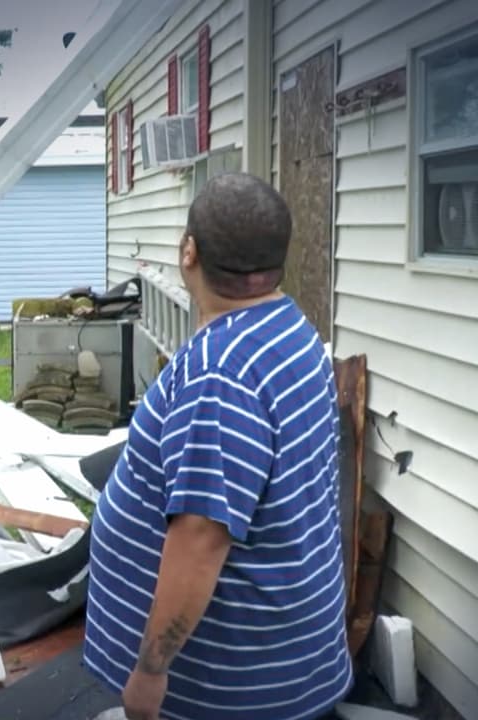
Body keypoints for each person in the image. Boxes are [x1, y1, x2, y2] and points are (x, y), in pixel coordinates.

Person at [82, 173, 353, 720]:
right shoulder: (289, 329)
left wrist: (151, 671)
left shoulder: (220, 377)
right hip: (285, 661)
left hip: (230, 695)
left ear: (190, 253)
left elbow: (202, 540)